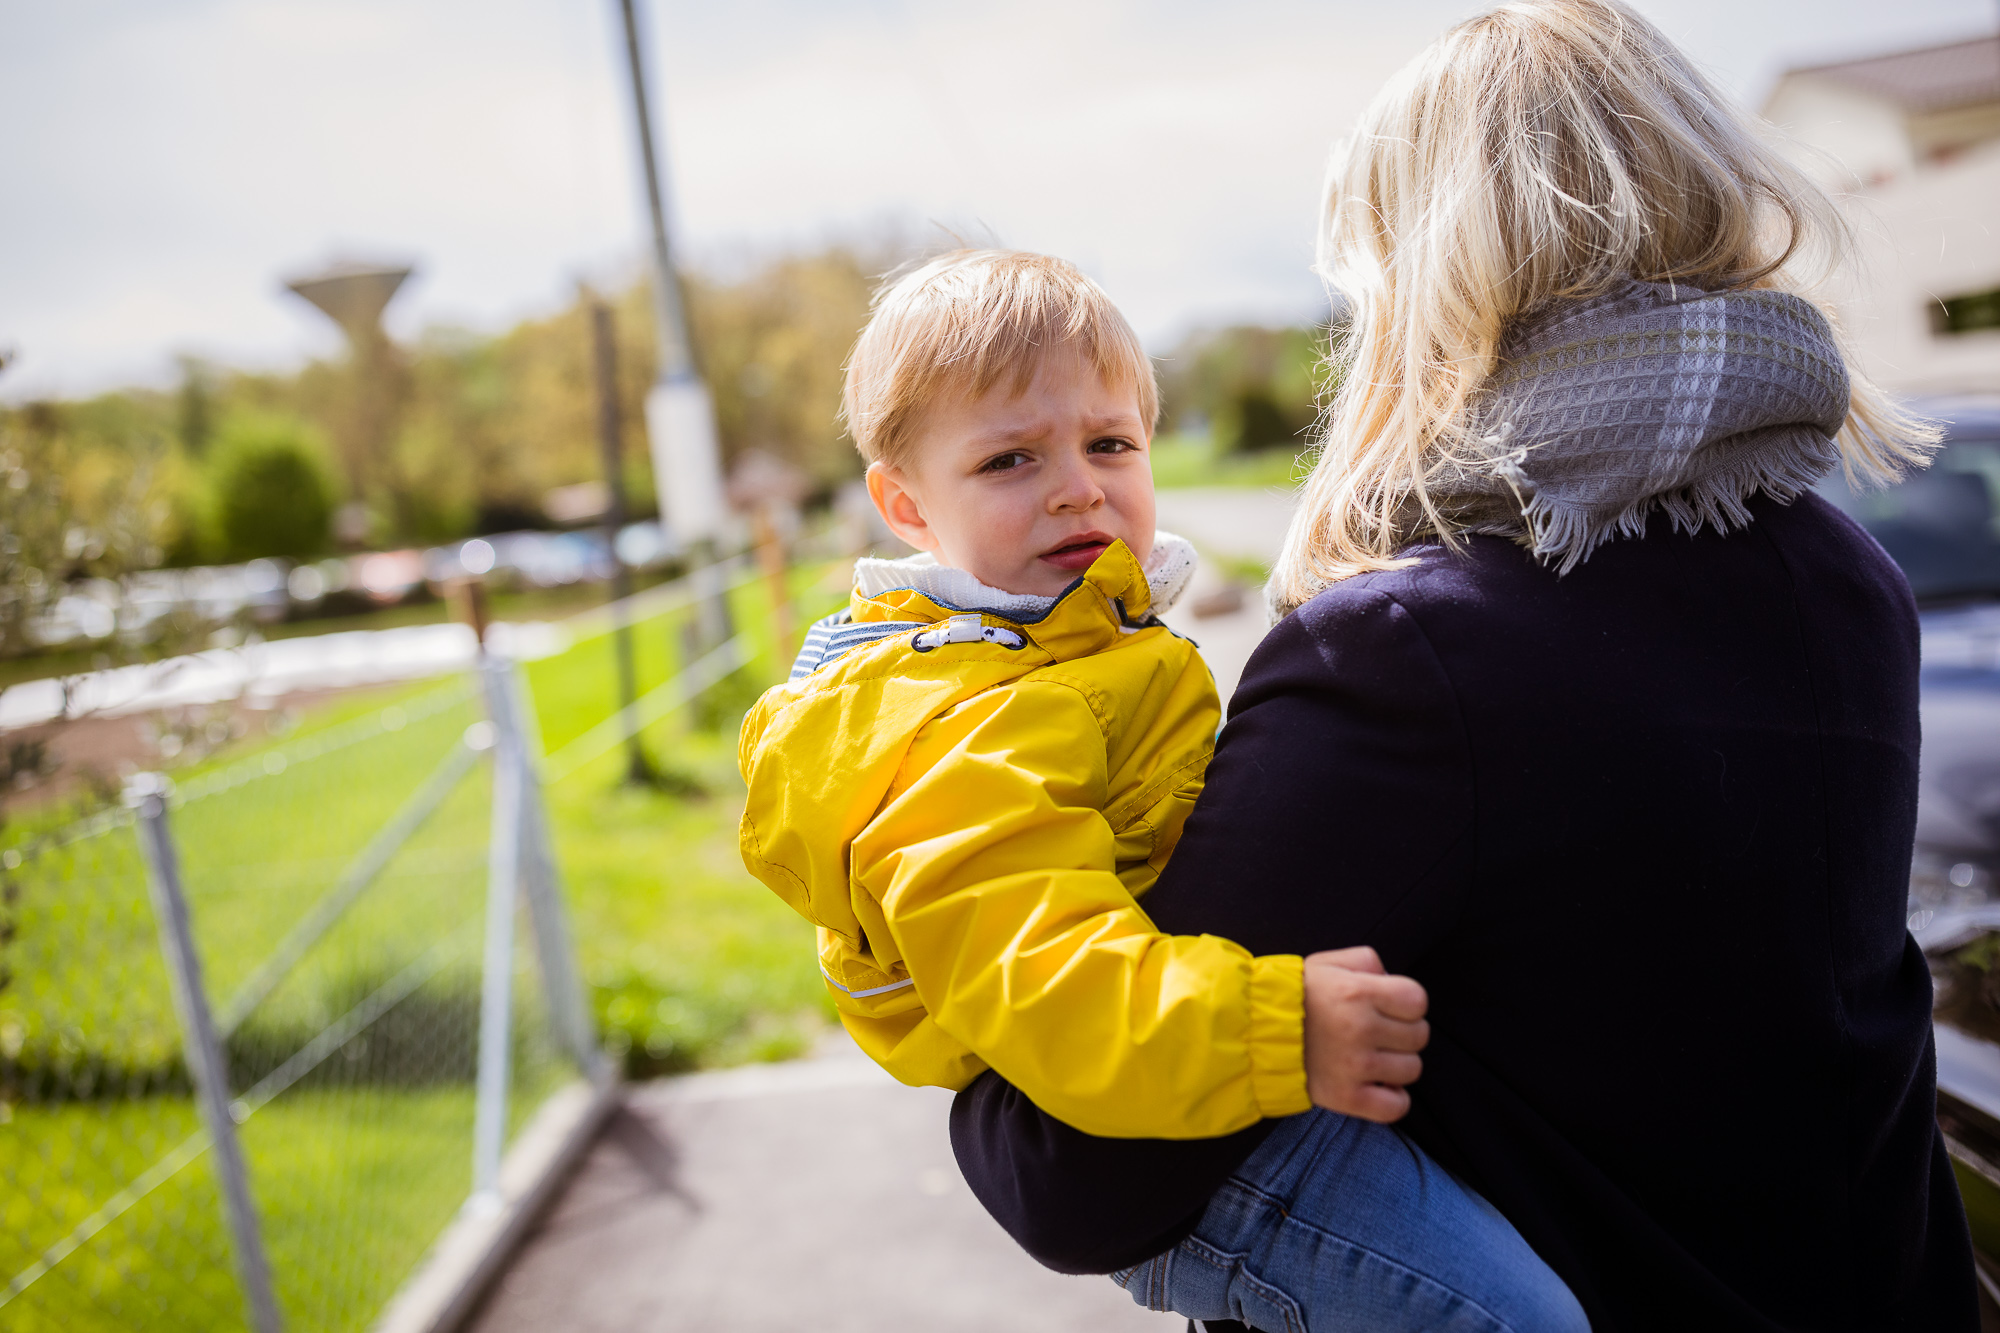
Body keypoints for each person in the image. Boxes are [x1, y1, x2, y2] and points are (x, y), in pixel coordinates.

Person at [950, 3, 1982, 1329]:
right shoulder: (1848, 579)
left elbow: (1076, 1172)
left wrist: (958, 1008)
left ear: (1415, 274)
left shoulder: (1410, 658)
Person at [737, 248, 1587, 1330]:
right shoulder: (958, 729)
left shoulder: (1060, 643)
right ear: (904, 505)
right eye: (1008, 459)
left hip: (1188, 1076)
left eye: (1108, 443)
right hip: (1199, 1145)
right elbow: (1049, 981)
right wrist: (1275, 1034)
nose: (1077, 484)